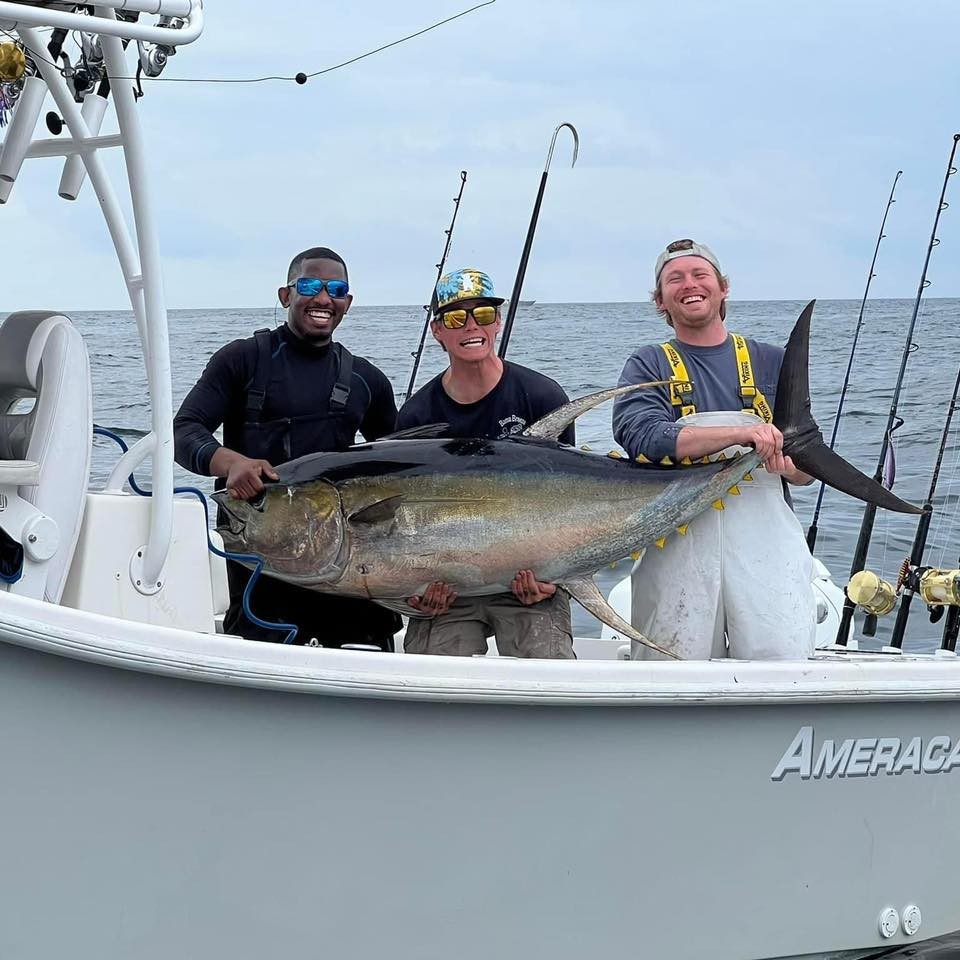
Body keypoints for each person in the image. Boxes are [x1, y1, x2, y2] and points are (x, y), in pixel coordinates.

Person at [174, 246, 401, 649]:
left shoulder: (369, 380)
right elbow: (185, 431)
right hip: (262, 561)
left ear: (347, 303)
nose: (323, 299)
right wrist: (231, 464)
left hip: (343, 563)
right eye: (310, 285)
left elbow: (400, 469)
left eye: (337, 289)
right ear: (286, 295)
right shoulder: (241, 360)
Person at [612, 238, 816, 661]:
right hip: (676, 541)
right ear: (660, 300)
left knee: (781, 661)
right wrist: (740, 434)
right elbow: (641, 436)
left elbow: (807, 468)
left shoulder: (773, 361)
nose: (690, 284)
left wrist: (788, 466)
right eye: (675, 279)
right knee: (669, 669)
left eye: (700, 274)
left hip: (765, 545)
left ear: (723, 288)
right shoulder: (649, 363)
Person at [396, 267, 576, 659]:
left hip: (527, 585)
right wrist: (416, 591)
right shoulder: (416, 416)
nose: (471, 326)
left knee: (550, 683)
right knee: (431, 690)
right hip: (449, 593)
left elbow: (569, 501)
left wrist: (552, 577)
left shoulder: (540, 396)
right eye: (457, 318)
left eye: (484, 314)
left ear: (499, 322)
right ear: (437, 330)